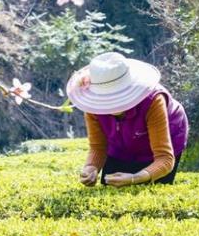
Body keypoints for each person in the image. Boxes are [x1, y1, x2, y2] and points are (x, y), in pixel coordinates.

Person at [66, 52, 189, 187]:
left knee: (151, 188)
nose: (110, 105)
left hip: (165, 137)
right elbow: (98, 146)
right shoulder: (92, 105)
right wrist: (91, 167)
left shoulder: (153, 101)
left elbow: (164, 158)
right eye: (105, 100)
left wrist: (135, 178)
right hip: (120, 145)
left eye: (115, 98)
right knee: (112, 188)